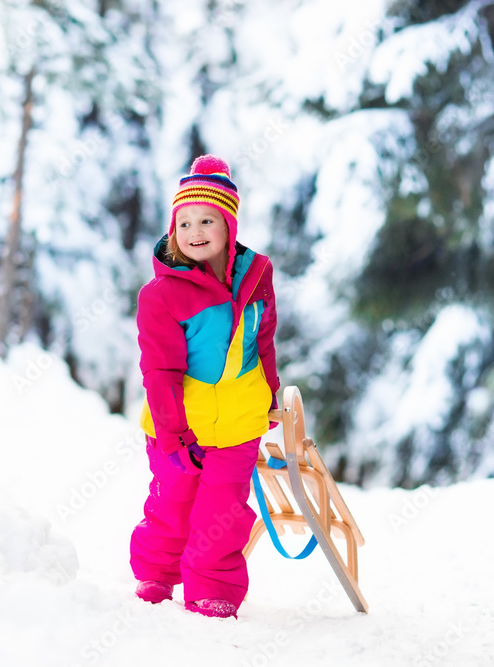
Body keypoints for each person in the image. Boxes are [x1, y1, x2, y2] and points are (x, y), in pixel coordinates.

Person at [130, 154, 279, 619]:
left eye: (207, 220)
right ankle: (156, 571)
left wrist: (271, 396)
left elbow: (265, 338)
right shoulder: (162, 294)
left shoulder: (257, 275)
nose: (195, 231)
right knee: (173, 503)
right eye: (185, 222)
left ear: (229, 226)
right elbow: (160, 371)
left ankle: (212, 587)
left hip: (239, 420)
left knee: (222, 512)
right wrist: (174, 436)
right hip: (179, 423)